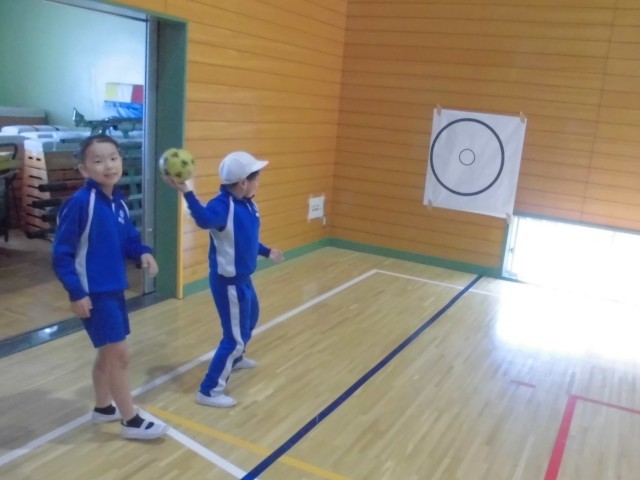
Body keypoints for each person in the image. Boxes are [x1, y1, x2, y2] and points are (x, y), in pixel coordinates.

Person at [52, 134, 168, 440]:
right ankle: (130, 420)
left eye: (113, 158)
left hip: (115, 289)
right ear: (84, 169)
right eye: (98, 160)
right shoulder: (80, 203)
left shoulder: (118, 201)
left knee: (108, 354)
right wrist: (76, 292)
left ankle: (104, 407)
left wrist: (142, 252)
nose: (108, 165)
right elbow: (61, 254)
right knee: (119, 355)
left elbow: (128, 237)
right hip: (94, 294)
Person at [164, 151, 284, 408]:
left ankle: (236, 359)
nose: (258, 183)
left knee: (251, 318)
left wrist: (266, 251)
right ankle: (209, 390)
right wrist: (187, 192)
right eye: (256, 178)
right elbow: (204, 219)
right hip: (228, 283)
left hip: (244, 278)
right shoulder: (222, 206)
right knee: (234, 338)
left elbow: (246, 239)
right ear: (243, 182)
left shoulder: (248, 204)